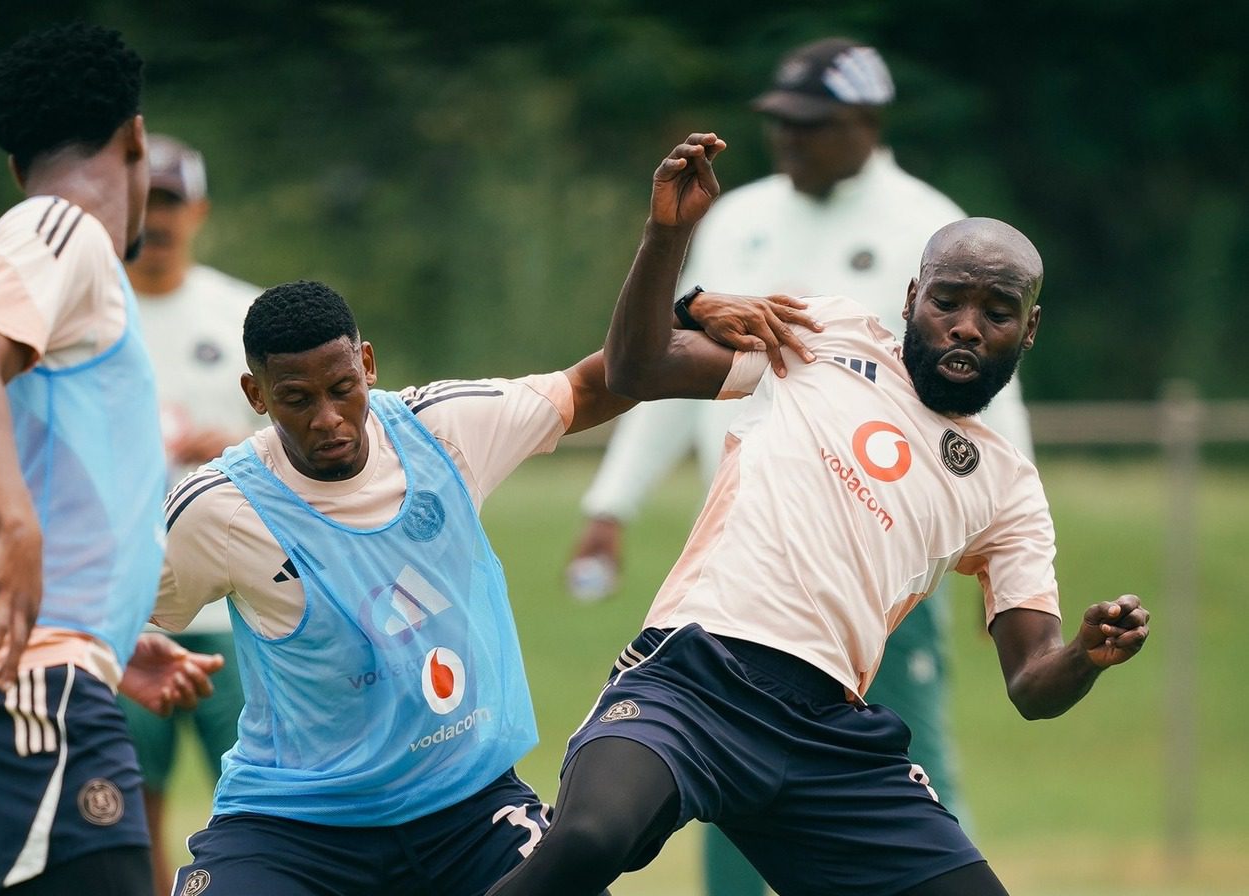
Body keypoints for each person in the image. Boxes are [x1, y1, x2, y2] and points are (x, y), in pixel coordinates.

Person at [486, 134, 1150, 896]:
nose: (967, 325)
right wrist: (668, 238)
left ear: (1028, 330)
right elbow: (639, 367)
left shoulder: (1009, 487)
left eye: (997, 312)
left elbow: (1032, 682)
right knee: (588, 838)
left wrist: (1086, 655)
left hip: (827, 736)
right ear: (912, 297)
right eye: (947, 301)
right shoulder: (824, 336)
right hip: (695, 678)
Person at [152, 278, 809, 896]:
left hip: (469, 813)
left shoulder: (441, 429)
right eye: (297, 399)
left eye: (342, 388)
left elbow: (591, 385)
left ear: (368, 365)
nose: (327, 418)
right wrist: (125, 653)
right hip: (294, 827)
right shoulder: (219, 508)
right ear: (256, 394)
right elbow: (122, 602)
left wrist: (685, 316)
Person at [564, 39, 1029, 888]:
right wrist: (611, 503)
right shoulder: (738, 217)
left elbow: (990, 405)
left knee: (904, 774)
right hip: (750, 554)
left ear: (867, 123)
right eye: (780, 121)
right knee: (718, 789)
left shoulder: (927, 224)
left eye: (811, 124)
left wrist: (1001, 563)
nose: (789, 138)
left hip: (881, 568)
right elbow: (677, 367)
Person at [0, 25, 223, 896]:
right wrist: (17, 532)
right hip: (27, 676)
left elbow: (46, 460)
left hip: (29, 667)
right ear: (134, 137)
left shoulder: (52, 253)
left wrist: (105, 634)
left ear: (15, 162)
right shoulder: (59, 227)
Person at [123, 133, 263, 896]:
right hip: (124, 606)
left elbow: (303, 438)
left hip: (236, 606)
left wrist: (236, 447)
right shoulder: (93, 315)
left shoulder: (241, 312)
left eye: (171, 203)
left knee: (253, 799)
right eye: (145, 203)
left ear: (199, 211)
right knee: (126, 805)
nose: (157, 221)